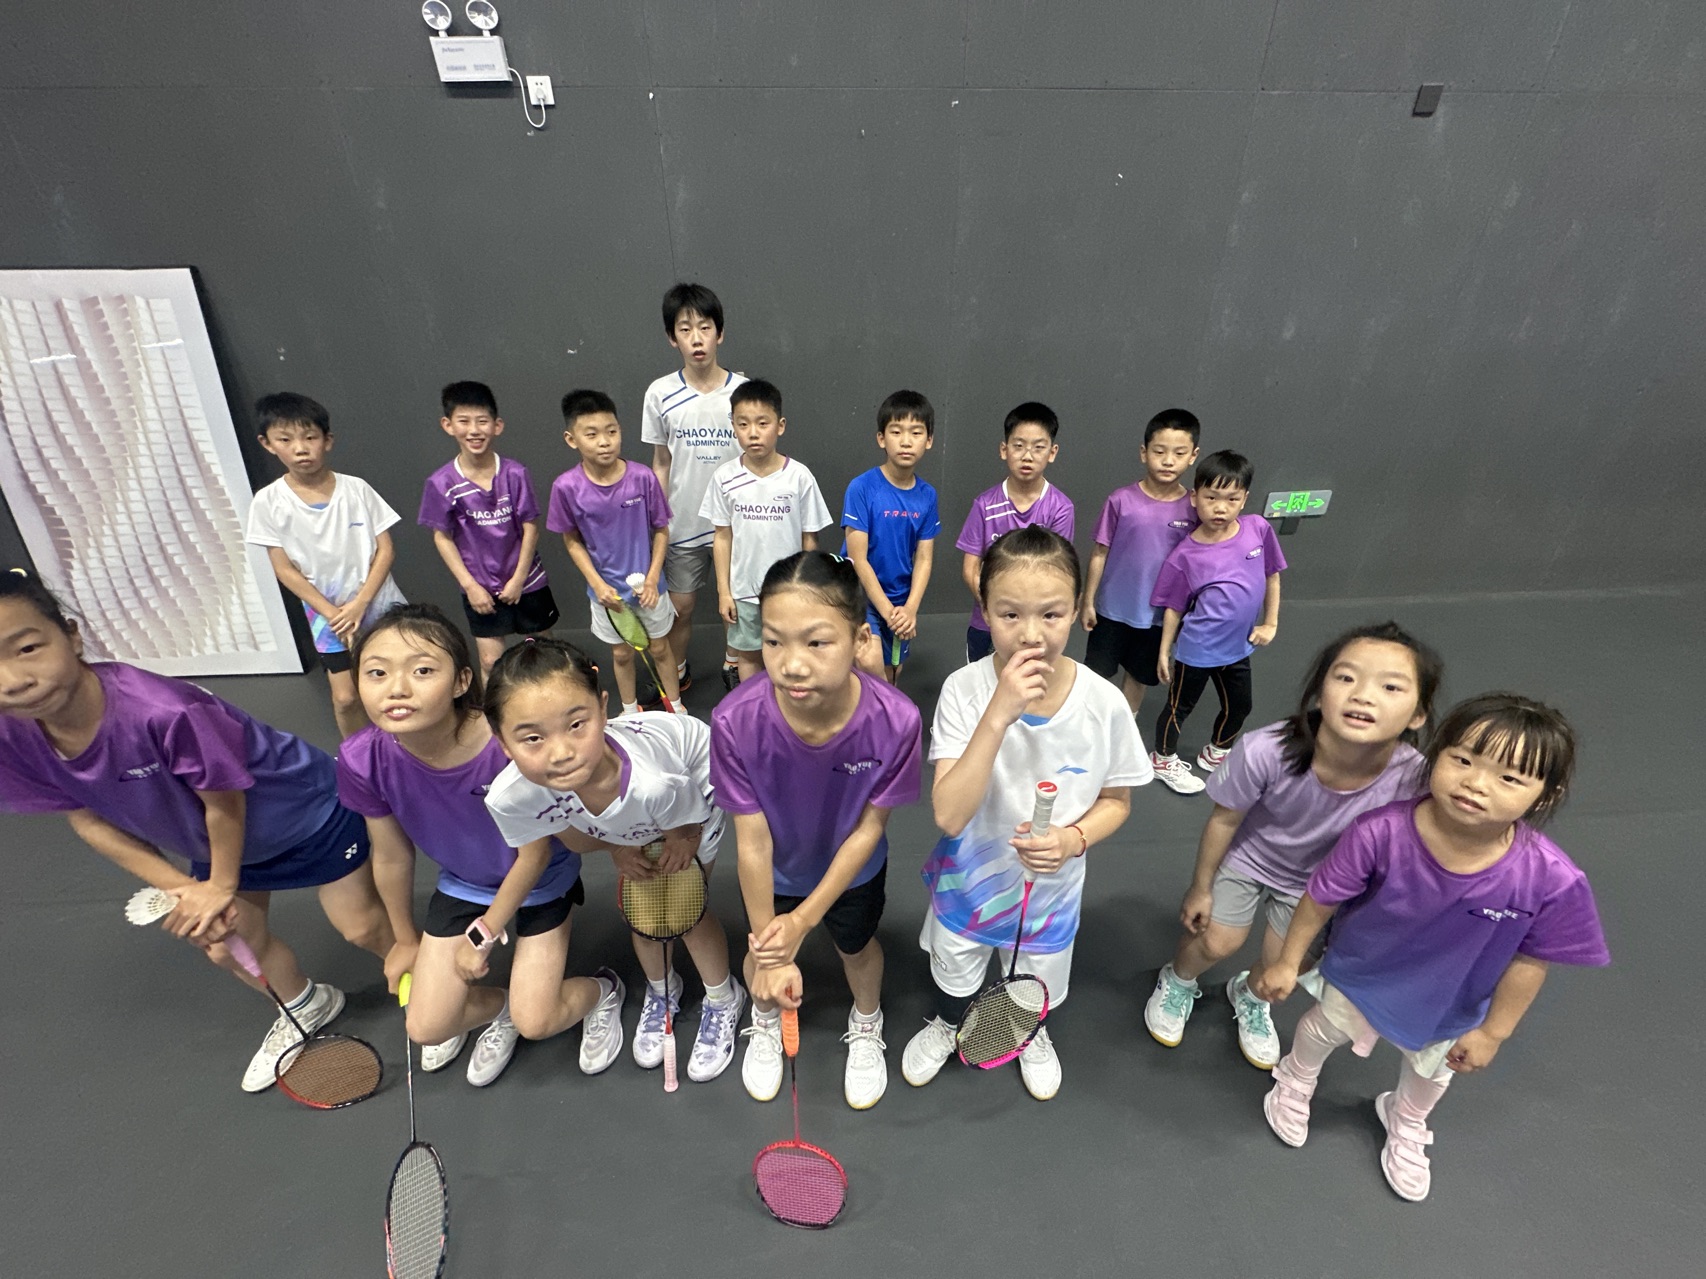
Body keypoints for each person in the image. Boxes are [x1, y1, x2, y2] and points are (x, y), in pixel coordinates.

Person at [0, 570, 393, 1092]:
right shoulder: (12, 734)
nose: (12, 679)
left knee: (362, 926)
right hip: (216, 842)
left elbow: (225, 802)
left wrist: (220, 886)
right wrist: (186, 890)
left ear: (71, 635)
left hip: (306, 812)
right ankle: (305, 1004)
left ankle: (428, 982)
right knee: (227, 945)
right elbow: (86, 816)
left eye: (27, 648)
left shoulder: (163, 712)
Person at [1250, 693, 1610, 1202]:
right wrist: (1289, 961)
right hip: (1364, 971)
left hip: (1451, 1001)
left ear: (1545, 795)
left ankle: (1405, 1117)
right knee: (1324, 1028)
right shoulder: (1379, 831)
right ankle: (1295, 1076)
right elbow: (1321, 897)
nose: (1476, 783)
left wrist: (1494, 1032)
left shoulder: (1552, 879)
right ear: (1437, 754)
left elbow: (1532, 960)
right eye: (1463, 760)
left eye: (1509, 778)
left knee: (1432, 1072)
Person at [903, 526, 1148, 1100]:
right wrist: (998, 713)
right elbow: (949, 815)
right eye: (1010, 614)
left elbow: (1117, 802)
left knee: (1029, 985)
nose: (1031, 635)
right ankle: (947, 1024)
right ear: (984, 609)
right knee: (956, 975)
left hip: (1049, 896)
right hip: (969, 887)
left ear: (1077, 611)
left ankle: (1025, 1032)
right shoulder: (963, 691)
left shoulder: (1106, 704)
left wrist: (1074, 839)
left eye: (1052, 615)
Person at [1143, 622, 1443, 1069]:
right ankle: (1179, 979)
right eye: (1346, 677)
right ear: (1320, 692)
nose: (1363, 695)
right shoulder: (1266, 750)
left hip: (1320, 883)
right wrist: (1201, 887)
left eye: (1391, 687)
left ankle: (1249, 995)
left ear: (1418, 714)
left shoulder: (1414, 778)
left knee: (1289, 964)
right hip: (1251, 859)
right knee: (1217, 941)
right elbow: (1225, 819)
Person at [339, 604, 584, 1087]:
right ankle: (504, 1008)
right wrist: (405, 939)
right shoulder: (361, 759)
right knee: (426, 1028)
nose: (397, 689)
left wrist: (484, 935)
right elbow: (391, 855)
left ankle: (604, 992)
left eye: (422, 671)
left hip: (541, 881)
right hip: (464, 884)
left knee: (538, 1020)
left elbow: (535, 853)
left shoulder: (504, 747)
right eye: (377, 673)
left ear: (461, 681)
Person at [711, 552, 923, 1110]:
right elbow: (751, 841)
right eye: (773, 641)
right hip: (773, 872)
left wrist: (803, 922)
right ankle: (764, 1019)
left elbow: (869, 829)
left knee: (857, 949)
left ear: (860, 639)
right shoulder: (734, 722)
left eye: (816, 642)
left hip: (853, 869)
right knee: (762, 955)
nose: (791, 664)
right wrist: (772, 954)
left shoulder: (897, 721)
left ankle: (867, 1021)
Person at [482, 636, 745, 1081]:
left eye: (576, 725)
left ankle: (723, 997)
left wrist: (683, 841)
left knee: (684, 910)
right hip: (636, 816)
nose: (561, 752)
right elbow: (572, 835)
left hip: (692, 796)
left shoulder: (654, 783)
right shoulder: (512, 797)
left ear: (603, 709)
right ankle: (663, 990)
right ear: (502, 741)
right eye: (532, 738)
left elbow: (685, 823)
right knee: (643, 912)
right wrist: (618, 848)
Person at [245, 392, 406, 737]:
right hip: (326, 617)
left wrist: (360, 603)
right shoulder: (267, 502)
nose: (300, 449)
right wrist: (333, 613)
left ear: (327, 440)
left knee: (397, 684)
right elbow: (283, 569)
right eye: (285, 440)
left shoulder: (356, 489)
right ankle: (357, 758)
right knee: (346, 698)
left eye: (310, 437)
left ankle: (408, 749)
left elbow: (386, 550)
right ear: (267, 444)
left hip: (380, 605)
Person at [1150, 450, 1285, 794]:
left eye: (1232, 499)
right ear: (1195, 497)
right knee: (1179, 708)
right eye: (1211, 498)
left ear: (1245, 499)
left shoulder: (1258, 529)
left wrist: (1270, 623)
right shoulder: (1184, 555)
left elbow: (1272, 575)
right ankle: (1162, 759)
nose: (1220, 508)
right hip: (1197, 649)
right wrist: (1164, 651)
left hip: (1238, 647)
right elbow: (1174, 608)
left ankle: (1216, 752)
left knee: (1241, 705)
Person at [641, 283, 747, 696]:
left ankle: (733, 663)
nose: (697, 338)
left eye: (705, 327)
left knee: (736, 605)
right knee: (680, 607)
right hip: (682, 522)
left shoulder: (743, 392)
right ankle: (678, 670)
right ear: (673, 338)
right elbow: (661, 462)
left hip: (735, 524)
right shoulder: (660, 393)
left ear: (720, 333)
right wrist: (657, 518)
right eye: (685, 329)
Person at [548, 389, 681, 716]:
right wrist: (597, 585)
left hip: (651, 588)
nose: (604, 442)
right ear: (571, 439)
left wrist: (653, 579)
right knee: (621, 654)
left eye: (612, 431)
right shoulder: (566, 487)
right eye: (591, 434)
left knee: (661, 648)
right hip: (606, 592)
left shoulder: (642, 477)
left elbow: (661, 529)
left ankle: (677, 709)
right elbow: (571, 540)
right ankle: (629, 711)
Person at [418, 381, 558, 676]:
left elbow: (531, 526)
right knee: (490, 663)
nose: (474, 430)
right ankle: (495, 709)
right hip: (480, 585)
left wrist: (519, 579)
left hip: (527, 580)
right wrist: (470, 586)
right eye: (464, 421)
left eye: (482, 421)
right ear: (447, 425)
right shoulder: (442, 482)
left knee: (543, 654)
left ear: (497, 425)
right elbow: (442, 537)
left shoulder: (515, 473)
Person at [701, 380, 832, 685]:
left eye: (763, 423)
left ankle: (784, 705)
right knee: (748, 656)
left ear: (780, 426)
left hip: (788, 591)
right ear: (733, 426)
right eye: (743, 424)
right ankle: (753, 707)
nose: (753, 433)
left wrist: (808, 589)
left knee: (789, 652)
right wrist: (724, 592)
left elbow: (809, 540)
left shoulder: (799, 477)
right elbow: (722, 537)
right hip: (744, 592)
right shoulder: (724, 478)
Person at [1081, 408, 1200, 719]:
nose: (1168, 460)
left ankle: (1126, 722)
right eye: (1159, 451)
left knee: (1138, 676)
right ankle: (1088, 721)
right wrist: (1088, 601)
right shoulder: (1120, 500)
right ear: (1144, 452)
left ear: (1193, 456)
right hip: (1111, 610)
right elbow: (1099, 552)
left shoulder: (1195, 508)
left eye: (1179, 453)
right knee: (1096, 674)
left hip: (1157, 617)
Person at [954, 402, 1075, 664]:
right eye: (1018, 446)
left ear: (1052, 452)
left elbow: (1058, 572)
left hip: (1035, 628)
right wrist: (996, 608)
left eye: (1038, 447)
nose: (1027, 456)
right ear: (1004, 449)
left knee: (1029, 682)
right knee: (983, 680)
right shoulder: (984, 505)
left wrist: (1025, 614)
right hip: (986, 621)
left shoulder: (1060, 508)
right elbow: (970, 568)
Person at [841, 389, 940, 683]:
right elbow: (857, 559)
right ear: (881, 438)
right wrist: (887, 612)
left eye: (916, 432)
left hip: (900, 600)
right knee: (868, 660)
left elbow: (924, 559)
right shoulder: (861, 488)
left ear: (929, 440)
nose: (906, 441)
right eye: (896, 432)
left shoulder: (928, 496)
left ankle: (888, 710)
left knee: (890, 673)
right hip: (861, 595)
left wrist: (909, 609)